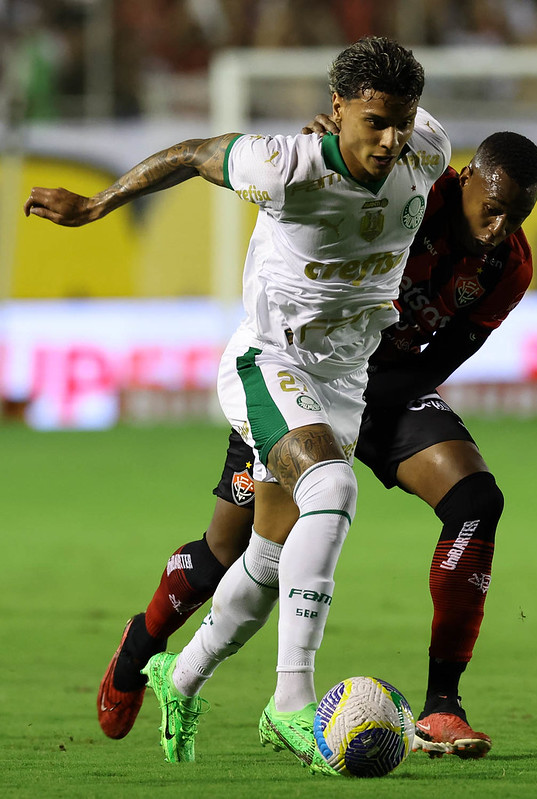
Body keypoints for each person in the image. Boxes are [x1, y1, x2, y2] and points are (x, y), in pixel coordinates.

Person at [24, 37, 451, 773]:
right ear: (338, 108)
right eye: (375, 121)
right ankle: (292, 702)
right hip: (270, 359)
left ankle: (178, 675)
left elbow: (426, 150)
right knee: (334, 486)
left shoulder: (427, 148)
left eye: (401, 121)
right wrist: (97, 204)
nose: (390, 140)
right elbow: (192, 152)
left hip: (344, 377)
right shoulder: (284, 166)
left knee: (267, 556)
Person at [92, 130, 537, 763]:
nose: (500, 227)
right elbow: (357, 152)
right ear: (466, 179)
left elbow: (440, 359)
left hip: (382, 388)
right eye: (492, 208)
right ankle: (142, 649)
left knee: (476, 500)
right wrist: (329, 141)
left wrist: (357, 405)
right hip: (304, 370)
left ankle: (442, 703)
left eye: (516, 215)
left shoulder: (509, 267)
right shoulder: (409, 193)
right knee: (229, 553)